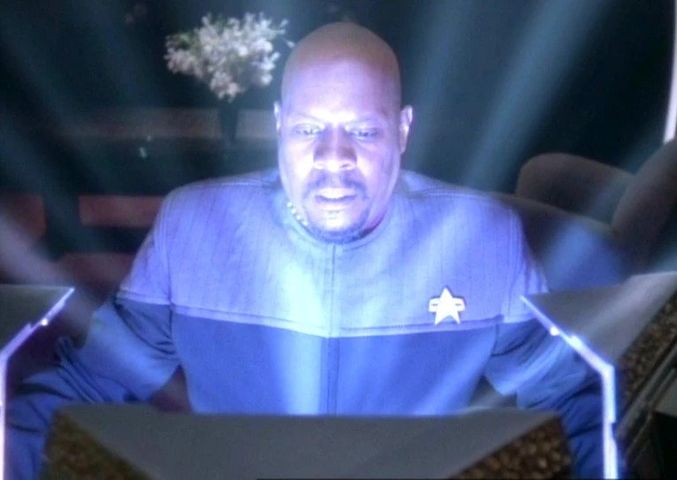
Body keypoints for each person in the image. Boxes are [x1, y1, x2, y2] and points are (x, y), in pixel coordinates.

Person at [8, 22, 601, 478]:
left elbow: (572, 402)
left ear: (402, 130)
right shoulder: (192, 228)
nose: (333, 157)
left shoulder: (483, 238)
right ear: (278, 124)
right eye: (309, 128)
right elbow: (90, 385)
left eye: (363, 131)